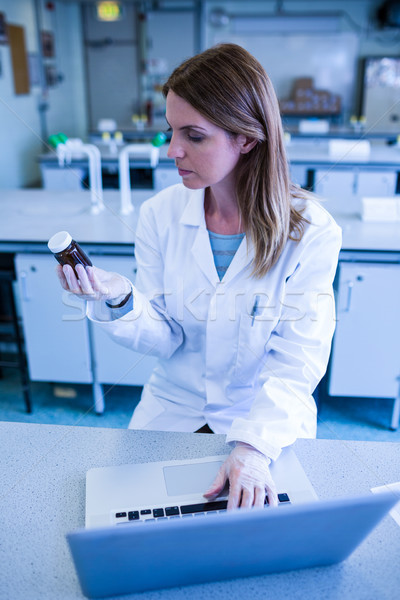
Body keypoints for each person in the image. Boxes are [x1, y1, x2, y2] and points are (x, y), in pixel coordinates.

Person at [56, 43, 341, 510]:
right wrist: (121, 297)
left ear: (246, 138)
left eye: (194, 135)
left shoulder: (310, 230)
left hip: (263, 420)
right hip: (173, 410)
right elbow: (166, 338)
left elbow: (297, 361)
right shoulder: (159, 215)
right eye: (171, 131)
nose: (173, 151)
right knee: (133, 524)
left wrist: (252, 450)